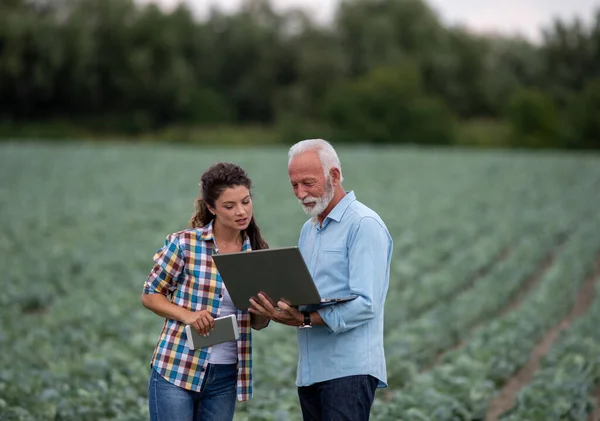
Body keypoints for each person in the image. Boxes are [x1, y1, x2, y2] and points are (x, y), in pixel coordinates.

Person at [249, 139, 393, 421]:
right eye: (294, 185)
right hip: (311, 371)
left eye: (308, 183)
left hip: (349, 370)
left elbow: (366, 303)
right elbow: (305, 293)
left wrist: (303, 320)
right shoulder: (309, 230)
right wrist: (275, 304)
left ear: (335, 176)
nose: (301, 193)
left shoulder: (364, 225)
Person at [141, 162, 270, 421]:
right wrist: (188, 315)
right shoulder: (185, 243)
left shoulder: (256, 254)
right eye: (229, 206)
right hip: (177, 367)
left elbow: (257, 323)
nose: (241, 212)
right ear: (211, 208)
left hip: (225, 376)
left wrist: (266, 308)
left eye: (245, 202)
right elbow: (150, 294)